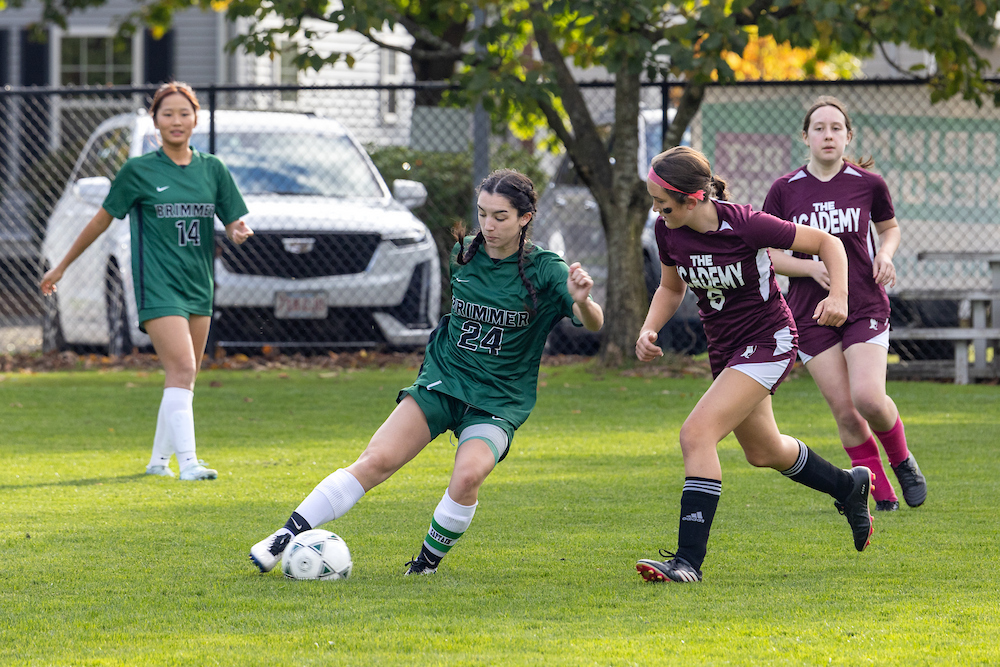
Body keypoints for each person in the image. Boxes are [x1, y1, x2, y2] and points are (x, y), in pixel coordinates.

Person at [249, 169, 604, 576]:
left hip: (498, 399)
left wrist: (584, 300)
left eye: (500, 216)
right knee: (375, 460)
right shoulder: (465, 253)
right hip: (444, 380)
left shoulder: (546, 269)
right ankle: (283, 537)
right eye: (483, 213)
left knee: (468, 476)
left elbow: (592, 322)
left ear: (525, 218)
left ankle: (425, 565)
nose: (488, 225)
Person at [634, 146, 874, 584]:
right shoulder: (668, 230)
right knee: (763, 451)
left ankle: (688, 562)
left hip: (770, 340)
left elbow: (828, 243)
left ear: (695, 198)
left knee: (696, 434)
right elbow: (671, 289)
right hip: (726, 350)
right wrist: (649, 329)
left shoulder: (745, 224)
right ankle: (847, 486)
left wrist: (837, 295)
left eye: (662, 202)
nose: (656, 210)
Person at [40, 81, 253, 481]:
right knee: (183, 367)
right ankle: (189, 462)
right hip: (158, 285)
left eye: (184, 113)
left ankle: (158, 462)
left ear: (195, 119)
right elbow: (101, 220)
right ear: (155, 121)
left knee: (185, 374)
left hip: (199, 285)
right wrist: (62, 265)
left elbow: (234, 220)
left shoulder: (213, 169)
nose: (176, 121)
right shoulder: (138, 171)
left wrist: (239, 230)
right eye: (167, 113)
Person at [762, 96, 926, 512]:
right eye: (819, 128)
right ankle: (879, 492)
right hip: (810, 313)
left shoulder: (868, 183)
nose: (828, 135)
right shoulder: (784, 190)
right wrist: (807, 268)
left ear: (848, 135)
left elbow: (889, 229)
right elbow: (768, 253)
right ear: (806, 136)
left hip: (864, 304)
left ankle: (902, 460)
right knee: (847, 413)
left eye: (836, 128)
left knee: (869, 397)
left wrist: (885, 254)